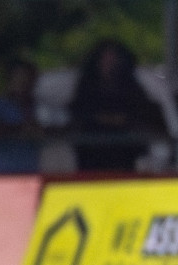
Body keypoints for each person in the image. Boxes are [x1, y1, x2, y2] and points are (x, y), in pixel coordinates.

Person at [70, 40, 166, 172]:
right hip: (92, 153)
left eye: (113, 59)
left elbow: (141, 113)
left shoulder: (132, 88)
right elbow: (79, 114)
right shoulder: (87, 88)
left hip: (124, 153)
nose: (109, 64)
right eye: (105, 59)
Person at [0, 58, 42, 174]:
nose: (26, 82)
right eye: (21, 77)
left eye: (30, 78)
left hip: (32, 174)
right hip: (3, 175)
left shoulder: (38, 106)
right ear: (10, 78)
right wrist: (19, 130)